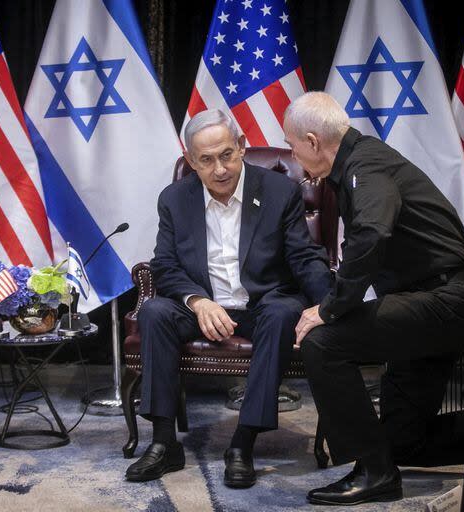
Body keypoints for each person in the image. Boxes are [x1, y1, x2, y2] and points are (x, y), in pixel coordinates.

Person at [284, 91, 464, 506]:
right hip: (431, 300)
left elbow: (373, 233)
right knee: (405, 442)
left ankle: (373, 472)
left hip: (442, 300)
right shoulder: (363, 161)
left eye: (292, 145)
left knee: (324, 342)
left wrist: (330, 307)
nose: (293, 154)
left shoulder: (365, 165)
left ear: (313, 141)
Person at [125, 109, 332, 488]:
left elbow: (303, 256)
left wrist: (332, 305)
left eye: (226, 155)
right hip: (205, 306)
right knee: (154, 311)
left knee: (283, 313)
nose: (219, 169)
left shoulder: (279, 191)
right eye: (205, 160)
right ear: (191, 162)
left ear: (241, 147)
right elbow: (165, 265)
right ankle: (163, 442)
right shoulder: (174, 199)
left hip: (262, 303)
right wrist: (198, 302)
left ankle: (242, 443)